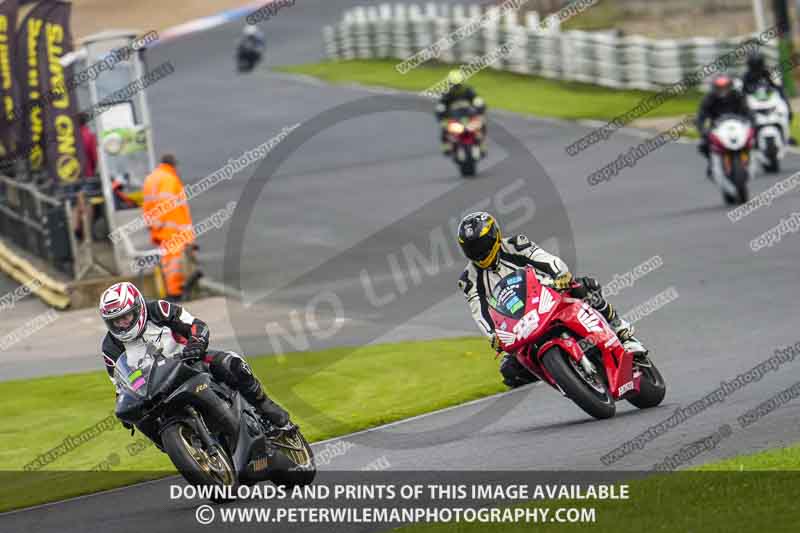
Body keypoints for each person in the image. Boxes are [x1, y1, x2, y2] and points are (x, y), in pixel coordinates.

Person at [456, 212, 648, 389]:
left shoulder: (515, 244)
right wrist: (493, 336)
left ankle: (623, 333)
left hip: (547, 293)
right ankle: (565, 376)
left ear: (494, 236)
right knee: (510, 372)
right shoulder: (469, 280)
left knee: (585, 287)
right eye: (471, 248)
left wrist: (560, 274)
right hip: (518, 322)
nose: (478, 252)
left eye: (481, 245)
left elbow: (545, 259)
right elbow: (479, 311)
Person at [100, 281, 290, 439]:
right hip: (155, 389)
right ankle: (180, 446)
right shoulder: (110, 347)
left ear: (138, 307)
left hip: (189, 362)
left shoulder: (158, 310)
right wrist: (125, 406)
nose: (122, 324)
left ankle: (264, 405)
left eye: (126, 317)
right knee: (139, 418)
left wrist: (196, 342)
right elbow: (121, 384)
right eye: (116, 321)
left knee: (230, 363)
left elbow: (195, 325)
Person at [142, 154, 195, 301]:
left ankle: (173, 291)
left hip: (161, 229)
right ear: (173, 165)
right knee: (174, 263)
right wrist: (160, 223)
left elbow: (147, 204)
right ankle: (175, 293)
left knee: (168, 262)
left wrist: (153, 225)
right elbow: (167, 203)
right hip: (171, 229)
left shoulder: (151, 178)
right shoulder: (169, 179)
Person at [696, 74, 751, 177]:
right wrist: (702, 129)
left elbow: (747, 111)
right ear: (714, 88)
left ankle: (746, 160)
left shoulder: (737, 96)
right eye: (720, 88)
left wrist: (750, 121)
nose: (723, 91)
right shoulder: (709, 98)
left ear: (730, 86)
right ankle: (712, 162)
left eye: (725, 87)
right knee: (703, 144)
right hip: (717, 127)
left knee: (751, 139)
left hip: (737, 125)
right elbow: (701, 116)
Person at [435, 70, 486, 156]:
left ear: (462, 82)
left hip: (469, 115)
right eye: (454, 85)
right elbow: (441, 105)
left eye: (458, 84)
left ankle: (481, 144)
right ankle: (446, 145)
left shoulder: (468, 90)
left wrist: (480, 107)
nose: (456, 87)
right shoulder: (447, 94)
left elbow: (477, 100)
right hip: (454, 117)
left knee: (481, 122)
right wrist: (441, 113)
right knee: (444, 126)